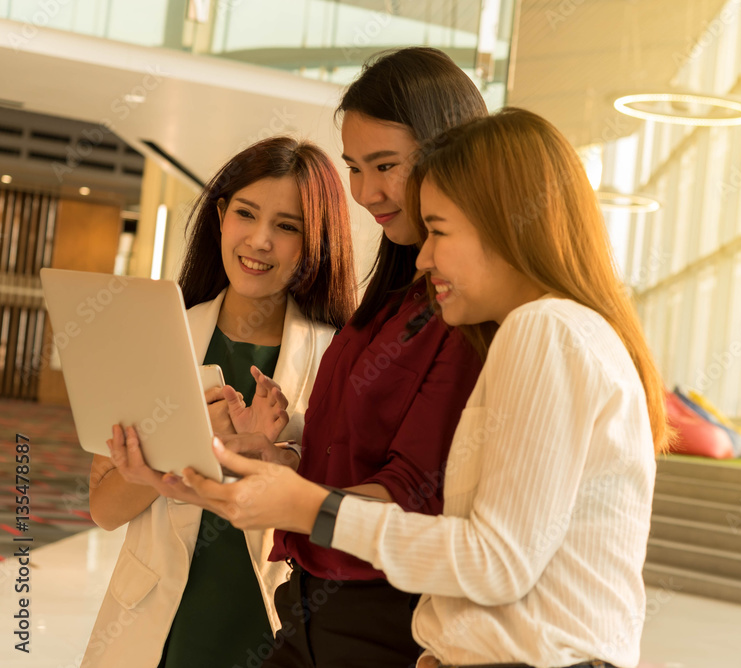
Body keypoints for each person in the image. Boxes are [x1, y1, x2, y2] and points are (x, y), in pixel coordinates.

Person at [131, 107, 672, 668]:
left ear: (507, 223)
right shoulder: (565, 330)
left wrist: (309, 505)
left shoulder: (544, 329)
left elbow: (496, 561)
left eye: (438, 230)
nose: (425, 255)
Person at [106, 47, 490, 668]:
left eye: (385, 165)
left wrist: (270, 481)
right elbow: (348, 457)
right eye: (354, 168)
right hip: (302, 606)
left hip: (363, 607)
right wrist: (276, 452)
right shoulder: (386, 307)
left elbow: (418, 492)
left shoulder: (455, 311)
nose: (366, 191)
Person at [83, 136, 355, 668]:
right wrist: (183, 450)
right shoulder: (156, 337)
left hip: (274, 625)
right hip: (157, 632)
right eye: (246, 215)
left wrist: (272, 457)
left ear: (315, 242)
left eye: (287, 226)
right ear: (221, 217)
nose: (259, 240)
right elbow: (103, 509)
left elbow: (347, 517)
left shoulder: (338, 358)